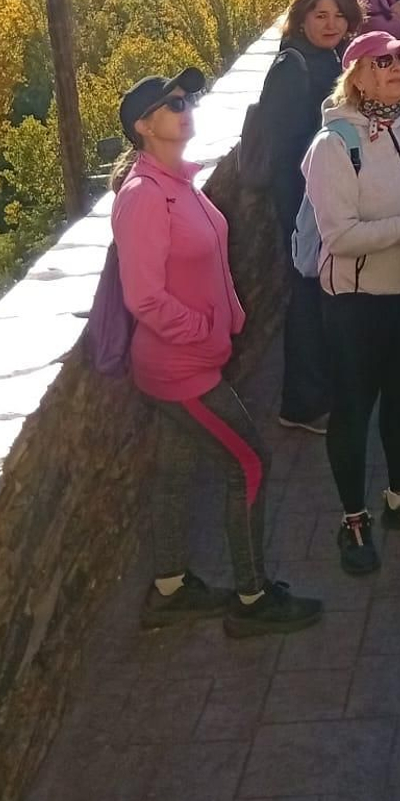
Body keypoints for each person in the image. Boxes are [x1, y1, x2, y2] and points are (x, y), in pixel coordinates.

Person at [113, 69, 322, 636]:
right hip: (180, 368)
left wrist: (228, 315)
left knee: (175, 472)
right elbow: (144, 297)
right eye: (171, 104)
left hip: (195, 358)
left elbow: (210, 258)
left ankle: (170, 588)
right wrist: (205, 331)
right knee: (251, 462)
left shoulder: (178, 182)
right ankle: (252, 600)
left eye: (187, 100)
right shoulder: (142, 197)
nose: (185, 109)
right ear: (142, 126)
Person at [302, 31, 400, 572]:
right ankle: (353, 520)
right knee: (352, 410)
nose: (398, 68)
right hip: (356, 304)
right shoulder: (332, 148)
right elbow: (341, 237)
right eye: (383, 62)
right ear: (357, 76)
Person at [246, 0, 364, 433]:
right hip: (301, 198)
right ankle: (302, 403)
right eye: (320, 15)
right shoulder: (292, 67)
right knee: (307, 293)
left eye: (338, 15)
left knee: (323, 290)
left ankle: (323, 389)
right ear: (301, 18)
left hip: (325, 192)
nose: (331, 23)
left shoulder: (330, 58)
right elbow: (287, 143)